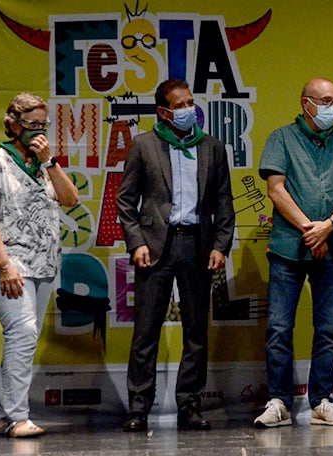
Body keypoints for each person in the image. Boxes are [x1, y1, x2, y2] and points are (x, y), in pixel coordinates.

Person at [116, 78, 235, 432]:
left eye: (190, 103)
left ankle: (190, 406)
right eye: (179, 105)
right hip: (155, 248)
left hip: (197, 245)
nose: (188, 110)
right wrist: (136, 242)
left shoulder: (212, 147)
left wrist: (220, 245)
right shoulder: (144, 145)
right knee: (146, 332)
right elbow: (125, 200)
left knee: (196, 331)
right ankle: (139, 408)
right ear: (163, 112)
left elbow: (224, 201)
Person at [254, 77, 333, 428]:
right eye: (326, 101)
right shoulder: (281, 139)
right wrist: (311, 229)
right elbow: (276, 190)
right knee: (278, 327)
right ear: (306, 103)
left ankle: (321, 401)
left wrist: (328, 227)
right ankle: (278, 402)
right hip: (289, 248)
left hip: (331, 246)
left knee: (327, 329)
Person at [0, 93, 79, 438]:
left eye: (43, 124)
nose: (39, 130)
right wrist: (5, 265)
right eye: (32, 124)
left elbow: (70, 199)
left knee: (24, 336)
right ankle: (16, 417)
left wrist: (50, 161)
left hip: (42, 263)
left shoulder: (43, 164)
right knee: (22, 332)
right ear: (14, 124)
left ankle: (6, 416)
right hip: (8, 264)